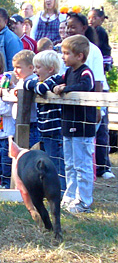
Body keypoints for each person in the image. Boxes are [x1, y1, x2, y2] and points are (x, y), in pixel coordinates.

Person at [65, 11, 114, 180]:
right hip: (75, 102)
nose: (70, 30)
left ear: (84, 28)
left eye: (74, 27)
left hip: (93, 97)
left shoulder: (93, 50)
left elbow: (98, 81)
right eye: (68, 27)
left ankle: (99, 169)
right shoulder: (66, 48)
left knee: (94, 138)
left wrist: (98, 107)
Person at [52, 35, 96, 213]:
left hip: (82, 127)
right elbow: (57, 81)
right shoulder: (68, 73)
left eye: (66, 53)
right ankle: (70, 196)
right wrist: (50, 85)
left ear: (79, 56)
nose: (63, 57)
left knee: (82, 164)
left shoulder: (86, 72)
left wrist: (65, 89)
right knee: (69, 163)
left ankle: (84, 200)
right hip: (67, 124)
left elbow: (86, 86)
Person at [24, 50, 66, 194]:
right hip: (46, 131)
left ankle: (61, 191)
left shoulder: (55, 79)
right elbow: (27, 84)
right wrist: (33, 83)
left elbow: (40, 89)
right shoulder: (44, 81)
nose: (35, 70)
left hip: (54, 131)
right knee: (49, 161)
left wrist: (33, 84)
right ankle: (52, 189)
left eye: (38, 67)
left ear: (50, 69)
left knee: (56, 163)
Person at [12, 50, 40, 147]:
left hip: (32, 123)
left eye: (18, 67)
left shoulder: (34, 80)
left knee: (32, 148)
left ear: (31, 68)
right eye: (14, 67)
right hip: (20, 122)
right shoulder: (20, 81)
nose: (15, 70)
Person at [0, 72, 18, 189]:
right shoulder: (3, 95)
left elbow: (5, 111)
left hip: (8, 136)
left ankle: (7, 184)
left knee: (6, 164)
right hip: (0, 135)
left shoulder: (12, 98)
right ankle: (1, 182)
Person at [88, 7, 112, 72]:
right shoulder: (92, 30)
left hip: (103, 56)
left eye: (94, 18)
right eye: (89, 18)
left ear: (101, 19)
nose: (90, 20)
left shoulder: (99, 30)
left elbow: (97, 45)